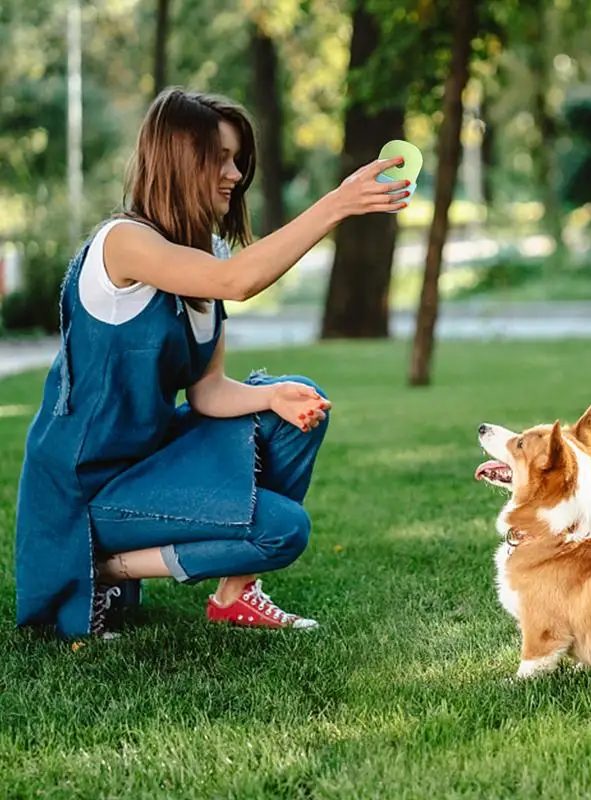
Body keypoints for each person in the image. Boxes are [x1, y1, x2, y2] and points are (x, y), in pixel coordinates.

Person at [15, 87, 410, 639]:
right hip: (83, 492)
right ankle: (100, 565)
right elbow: (237, 281)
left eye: (237, 159)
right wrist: (338, 203)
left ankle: (235, 594)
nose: (235, 173)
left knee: (294, 401)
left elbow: (207, 392)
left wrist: (272, 397)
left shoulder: (204, 257)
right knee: (284, 530)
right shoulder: (122, 244)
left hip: (146, 464)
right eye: (220, 158)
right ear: (179, 161)